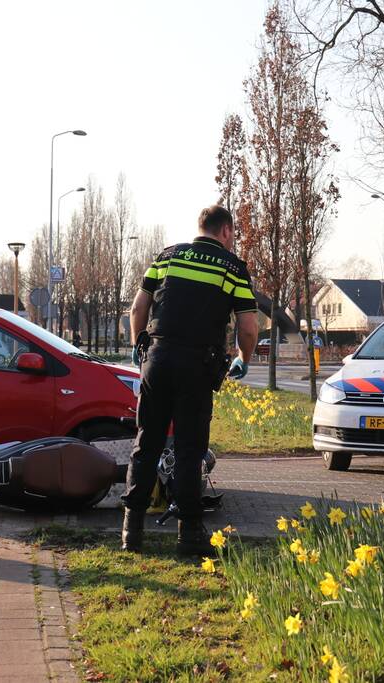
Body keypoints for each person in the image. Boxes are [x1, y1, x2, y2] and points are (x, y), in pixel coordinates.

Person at [121, 205, 259, 557]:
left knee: (146, 444)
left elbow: (138, 309)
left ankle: (131, 532)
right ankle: (189, 535)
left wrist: (141, 346)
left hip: (158, 358)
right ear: (226, 230)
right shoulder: (233, 268)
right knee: (188, 450)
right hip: (196, 366)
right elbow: (247, 325)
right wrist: (244, 358)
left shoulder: (167, 257)